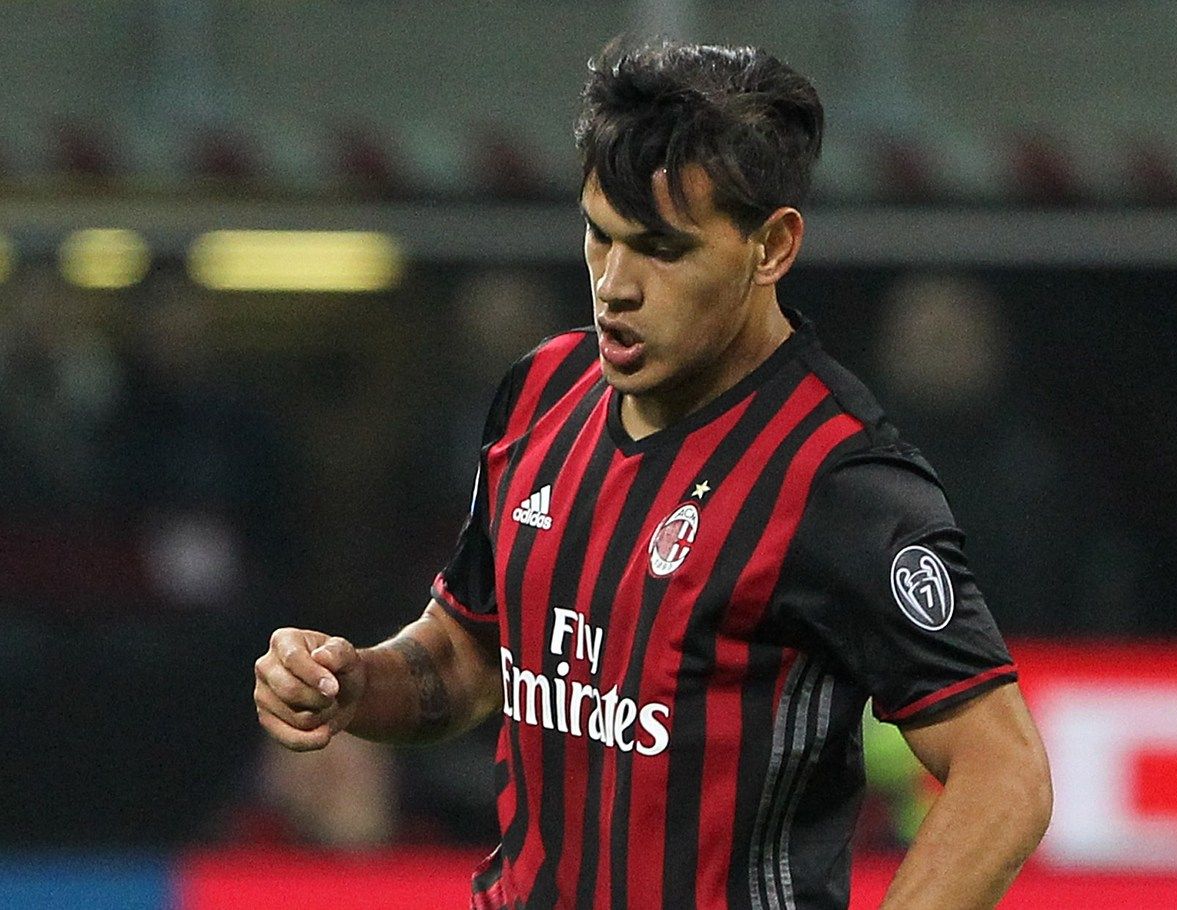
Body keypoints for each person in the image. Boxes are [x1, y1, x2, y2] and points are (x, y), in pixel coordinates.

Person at [254, 40, 1052, 910]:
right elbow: (471, 654)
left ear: (772, 247)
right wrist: (351, 682)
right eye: (600, 234)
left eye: (662, 250)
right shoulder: (539, 396)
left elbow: (1003, 775)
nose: (614, 285)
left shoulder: (841, 479)